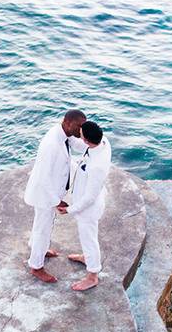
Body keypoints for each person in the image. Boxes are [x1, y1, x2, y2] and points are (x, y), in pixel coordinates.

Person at [23, 109, 87, 283]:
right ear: (67, 122)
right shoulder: (51, 145)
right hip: (44, 194)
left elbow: (78, 144)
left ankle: (39, 249)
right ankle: (36, 266)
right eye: (79, 126)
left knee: (41, 224)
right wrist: (57, 201)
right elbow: (43, 179)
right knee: (43, 229)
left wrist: (96, 141)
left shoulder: (65, 134)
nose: (81, 130)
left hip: (49, 192)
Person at [58, 120, 111, 291]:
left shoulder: (97, 167)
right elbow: (83, 145)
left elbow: (89, 198)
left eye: (80, 135)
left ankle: (92, 275)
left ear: (87, 141)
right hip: (88, 203)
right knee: (88, 238)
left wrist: (69, 209)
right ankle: (87, 257)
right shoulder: (103, 142)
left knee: (89, 240)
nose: (78, 136)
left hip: (88, 210)